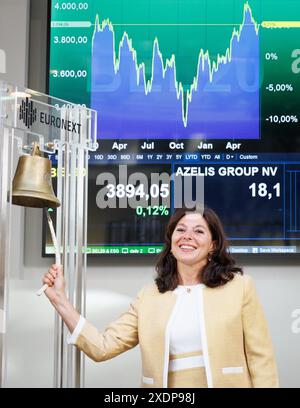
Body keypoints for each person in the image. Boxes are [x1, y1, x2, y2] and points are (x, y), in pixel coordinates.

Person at [43, 207, 279, 388]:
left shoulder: (240, 288)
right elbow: (103, 347)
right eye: (181, 229)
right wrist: (60, 300)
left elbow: (262, 360)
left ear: (212, 245)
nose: (187, 236)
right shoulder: (149, 296)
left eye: (198, 231)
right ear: (171, 240)